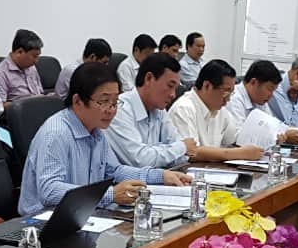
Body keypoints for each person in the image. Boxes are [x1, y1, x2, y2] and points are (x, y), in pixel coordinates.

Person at [19, 63, 189, 216]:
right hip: (41, 222)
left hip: (83, 213)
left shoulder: (96, 131)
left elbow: (114, 171)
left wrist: (161, 176)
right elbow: (49, 191)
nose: (111, 110)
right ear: (78, 101)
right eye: (104, 101)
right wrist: (110, 195)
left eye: (115, 102)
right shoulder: (56, 133)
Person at [107, 53, 196, 168]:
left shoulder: (159, 109)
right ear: (149, 78)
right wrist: (181, 147)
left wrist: (159, 152)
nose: (173, 95)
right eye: (170, 86)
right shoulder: (119, 110)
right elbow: (140, 161)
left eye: (175, 88)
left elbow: (184, 156)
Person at [167, 59, 266, 162]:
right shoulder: (184, 108)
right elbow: (191, 153)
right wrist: (240, 153)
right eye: (226, 91)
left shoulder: (220, 110)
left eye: (231, 93)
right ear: (207, 86)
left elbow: (235, 139)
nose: (228, 99)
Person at [225, 60, 298, 145]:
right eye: (269, 89)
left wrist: (286, 132)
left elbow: (272, 125)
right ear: (253, 82)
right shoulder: (233, 99)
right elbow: (238, 137)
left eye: (273, 91)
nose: (271, 95)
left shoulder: (259, 100)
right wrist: (283, 136)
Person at [0, 28, 45, 102]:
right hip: (22, 108)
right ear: (19, 52)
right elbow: (0, 105)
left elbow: (40, 92)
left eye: (38, 56)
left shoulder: (31, 67)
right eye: (34, 56)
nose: (36, 61)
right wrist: (28, 102)